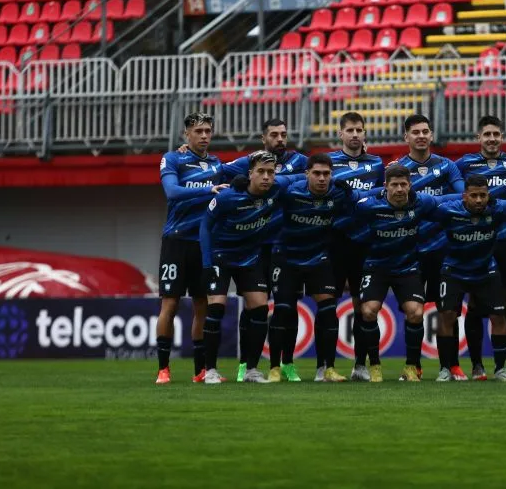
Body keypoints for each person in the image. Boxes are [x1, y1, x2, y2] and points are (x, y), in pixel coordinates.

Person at [184, 117, 307, 382]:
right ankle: (211, 370)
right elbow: (205, 226)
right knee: (216, 307)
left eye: (270, 173)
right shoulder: (228, 196)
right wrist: (206, 265)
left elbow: (303, 175)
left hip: (249, 256)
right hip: (220, 255)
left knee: (260, 307)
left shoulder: (277, 187)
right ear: (249, 173)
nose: (266, 177)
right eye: (261, 172)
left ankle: (251, 369)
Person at [427, 175, 506, 382]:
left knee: (499, 318)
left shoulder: (497, 209)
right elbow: (424, 207)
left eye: (483, 195)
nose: (479, 200)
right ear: (464, 196)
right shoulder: (448, 210)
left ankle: (500, 369)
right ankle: (445, 368)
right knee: (446, 316)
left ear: (488, 195)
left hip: (485, 271)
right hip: (453, 270)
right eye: (473, 195)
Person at [269, 154, 378, 383]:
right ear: (307, 173)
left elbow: (366, 197)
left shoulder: (337, 192)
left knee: (328, 309)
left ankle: (325, 369)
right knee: (283, 310)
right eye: (317, 173)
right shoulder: (290, 192)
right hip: (288, 258)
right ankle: (276, 368)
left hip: (319, 257)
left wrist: (351, 193)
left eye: (326, 174)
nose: (322, 178)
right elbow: (265, 190)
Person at [352, 164, 459, 382]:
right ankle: (374, 366)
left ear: (410, 186)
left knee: (416, 313)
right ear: (386, 187)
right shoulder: (369, 206)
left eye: (403, 184)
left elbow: (445, 207)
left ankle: (411, 367)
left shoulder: (421, 203)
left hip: (407, 268)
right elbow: (347, 208)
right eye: (394, 185)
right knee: (369, 311)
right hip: (376, 266)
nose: (400, 189)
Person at [455, 115, 506, 381]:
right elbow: (444, 177)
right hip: (476, 241)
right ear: (479, 138)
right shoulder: (465, 163)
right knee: (476, 302)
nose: (492, 139)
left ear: (502, 137)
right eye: (487, 134)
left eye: (496, 134)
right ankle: (477, 366)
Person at [155, 112, 228, 385]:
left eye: (208, 130)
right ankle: (163, 368)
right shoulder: (173, 158)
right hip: (176, 240)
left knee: (202, 306)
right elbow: (172, 192)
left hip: (204, 243)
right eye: (198, 131)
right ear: (187, 134)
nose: (204, 136)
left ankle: (201, 371)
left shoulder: (217, 164)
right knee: (170, 304)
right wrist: (208, 189)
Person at [396, 114, 466, 377]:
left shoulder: (447, 166)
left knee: (447, 310)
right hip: (411, 249)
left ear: (431, 135)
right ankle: (414, 366)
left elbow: (462, 195)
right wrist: (436, 201)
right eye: (416, 132)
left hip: (443, 249)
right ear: (406, 137)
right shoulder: (398, 169)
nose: (422, 136)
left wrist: (421, 199)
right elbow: (395, 201)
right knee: (413, 311)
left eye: (426, 131)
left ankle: (451, 365)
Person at [327, 112, 384, 382]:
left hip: (365, 243)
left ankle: (361, 364)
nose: (354, 134)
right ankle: (326, 366)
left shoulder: (376, 163)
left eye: (359, 130)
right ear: (340, 134)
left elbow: (384, 192)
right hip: (335, 242)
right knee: (329, 305)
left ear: (364, 133)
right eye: (349, 130)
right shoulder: (329, 162)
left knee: (363, 307)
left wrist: (358, 194)